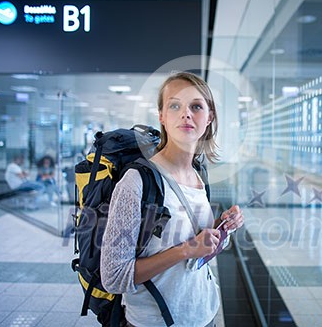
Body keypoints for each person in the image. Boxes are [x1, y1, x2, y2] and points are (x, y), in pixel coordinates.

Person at [100, 71, 244, 327]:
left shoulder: (199, 174)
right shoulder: (137, 181)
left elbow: (200, 255)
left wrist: (221, 229)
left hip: (205, 314)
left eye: (196, 106)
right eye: (175, 105)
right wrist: (186, 249)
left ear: (209, 117)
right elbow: (114, 277)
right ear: (162, 117)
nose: (186, 113)